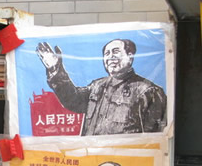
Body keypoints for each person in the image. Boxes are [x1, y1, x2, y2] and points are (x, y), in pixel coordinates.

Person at [36, 38, 167, 135]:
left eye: (116, 52)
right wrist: (55, 68)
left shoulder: (148, 91)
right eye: (107, 54)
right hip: (91, 157)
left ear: (130, 57)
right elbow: (72, 100)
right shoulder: (97, 86)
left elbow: (154, 138)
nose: (111, 57)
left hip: (125, 161)